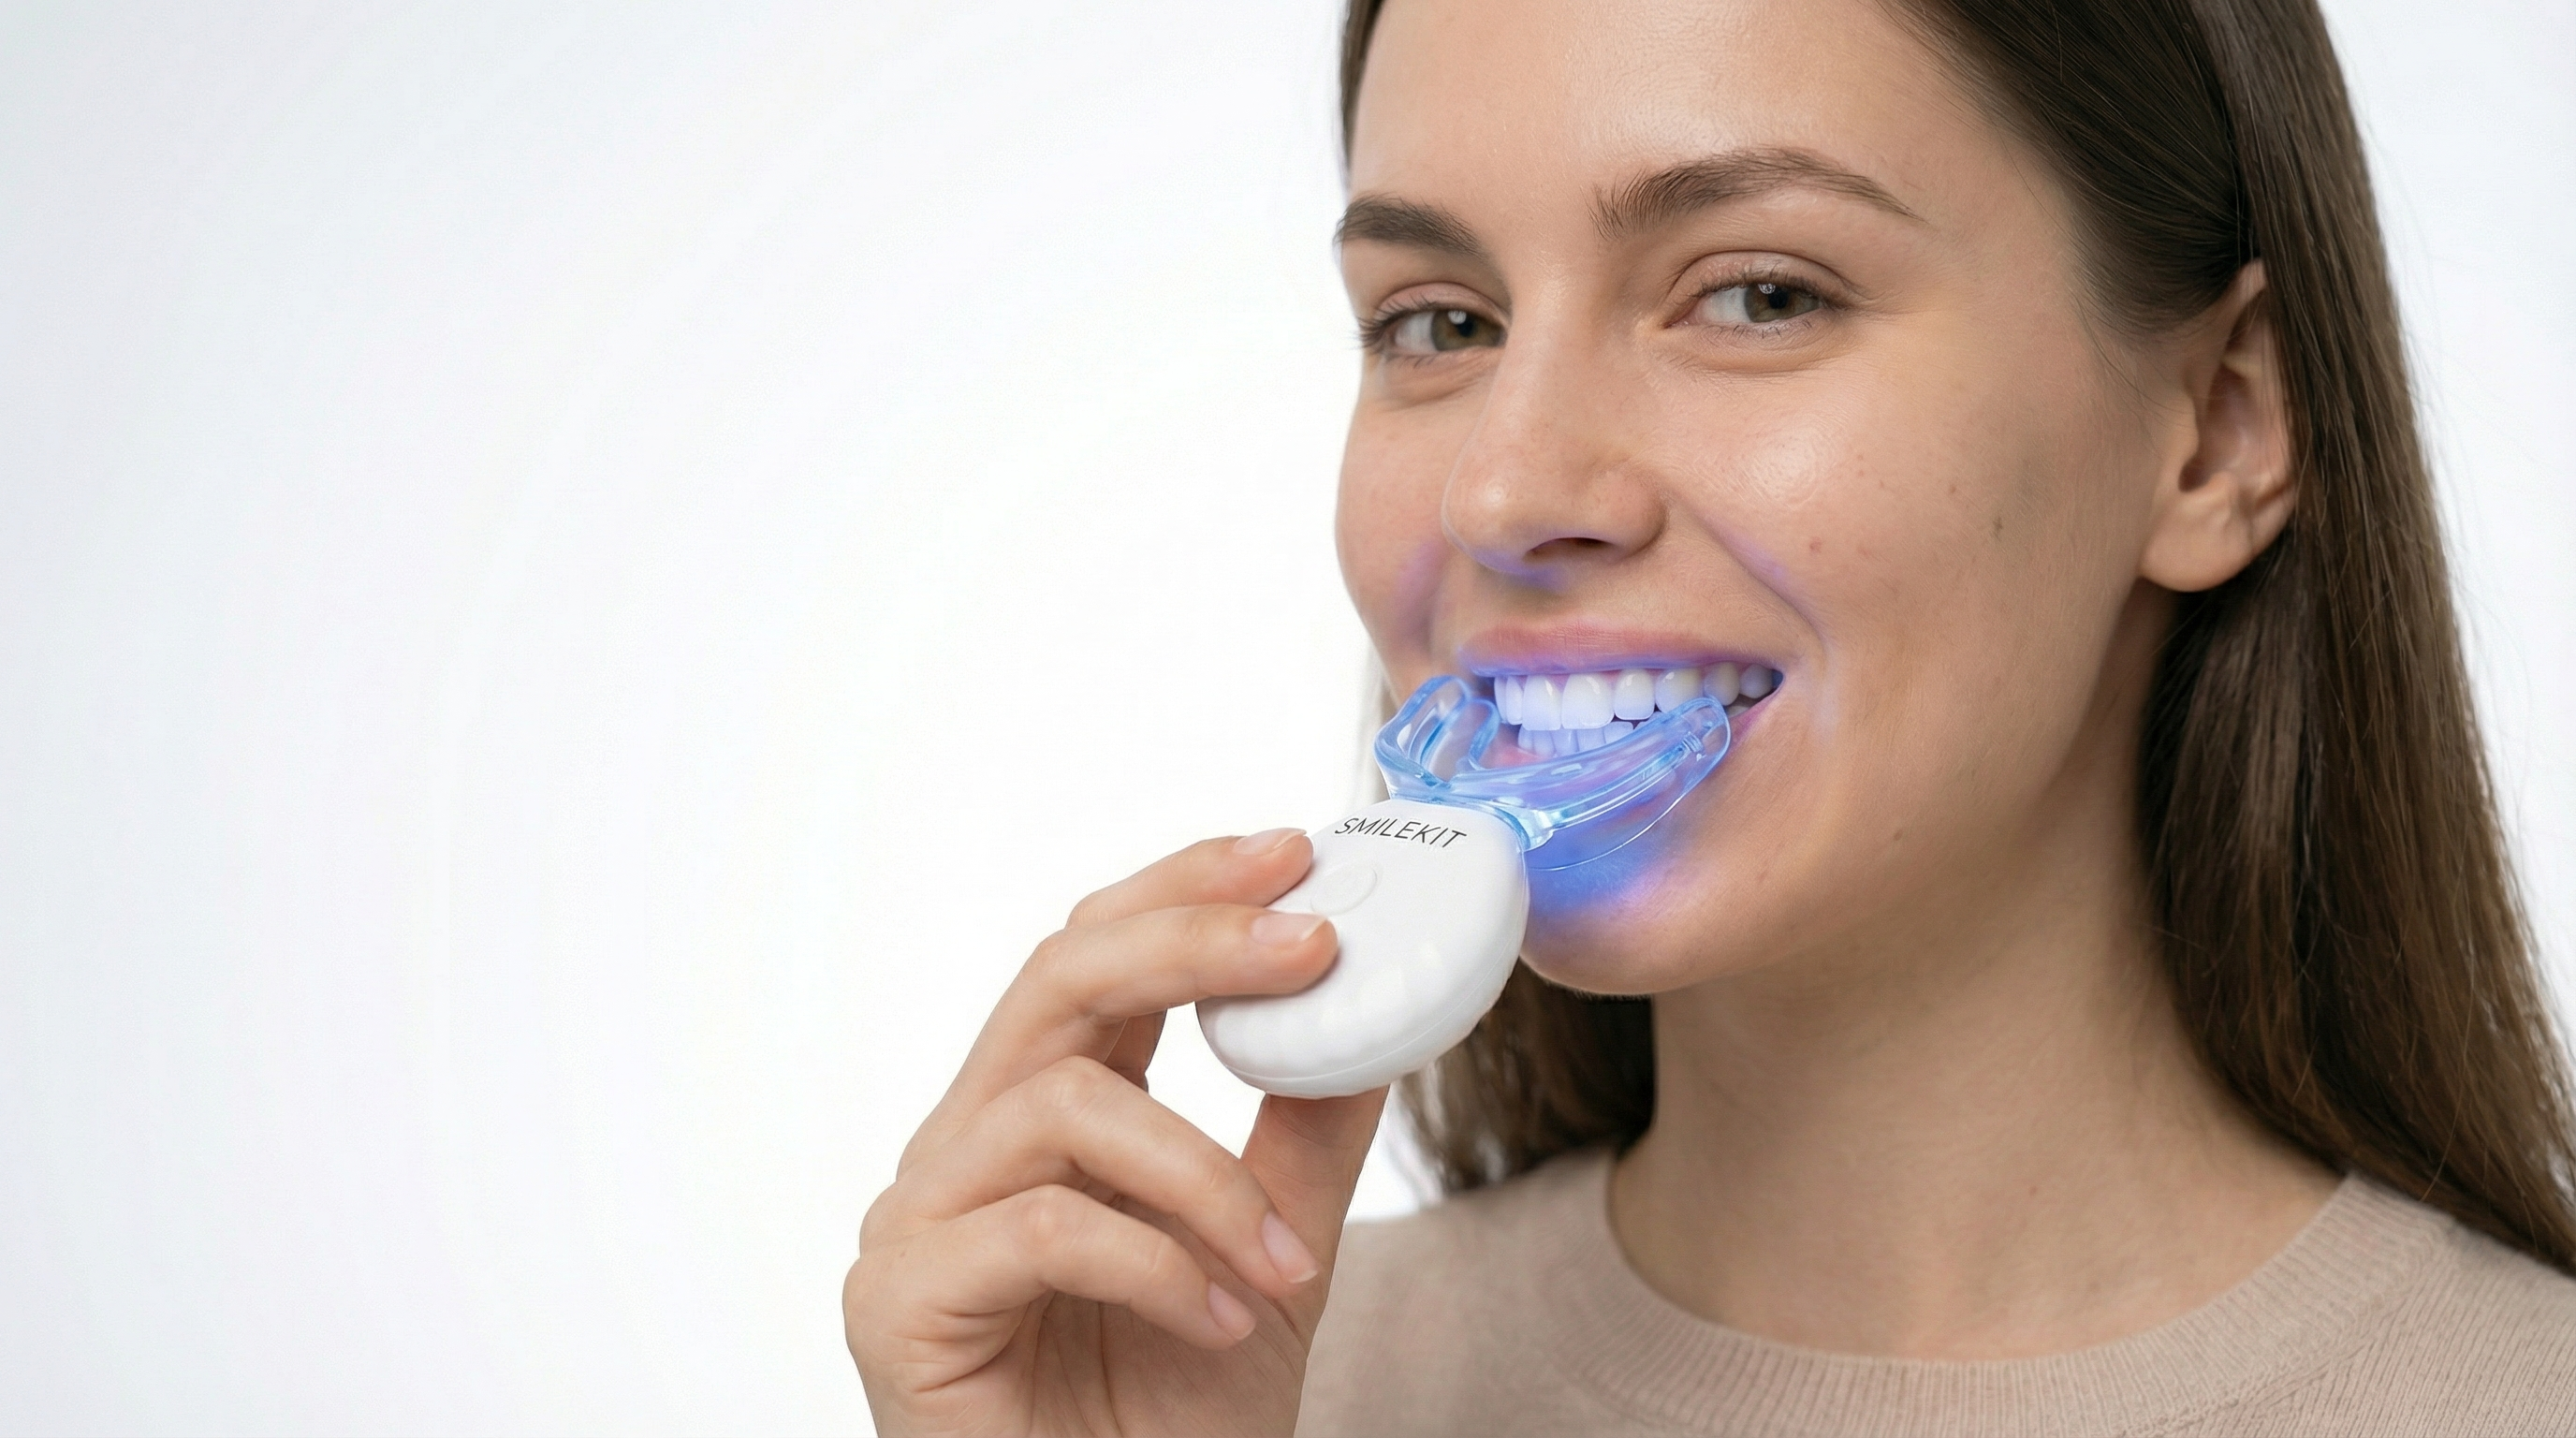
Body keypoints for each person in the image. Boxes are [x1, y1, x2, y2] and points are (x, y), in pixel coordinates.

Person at [843, 0, 2576, 1431]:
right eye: (1439, 323)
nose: (1505, 490)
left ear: (2219, 429)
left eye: (1760, 294)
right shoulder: (1208, 1389)